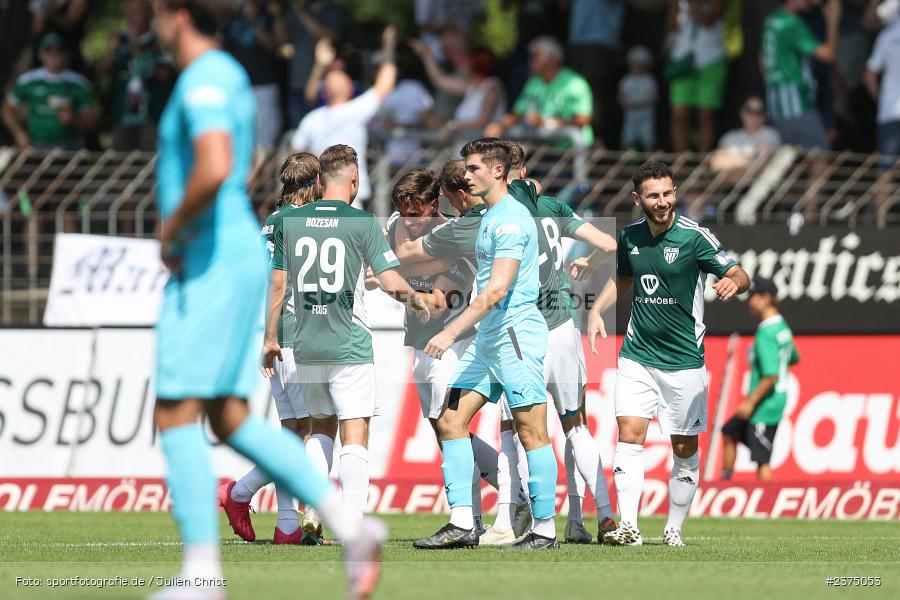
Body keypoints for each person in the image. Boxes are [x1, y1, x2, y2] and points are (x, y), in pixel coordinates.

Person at [151, 3, 385, 598]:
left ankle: (201, 573)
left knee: (177, 410)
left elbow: (214, 165)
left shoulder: (204, 77)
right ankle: (348, 527)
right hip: (238, 269)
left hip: (211, 259)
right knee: (231, 417)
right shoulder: (228, 73)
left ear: (177, 14)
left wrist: (172, 228)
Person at [586, 160, 750, 547]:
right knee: (629, 436)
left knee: (684, 448)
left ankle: (674, 528)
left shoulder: (694, 237)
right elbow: (623, 277)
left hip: (684, 362)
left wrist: (734, 282)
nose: (662, 202)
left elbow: (739, 272)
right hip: (637, 355)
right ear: (637, 199)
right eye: (653, 196)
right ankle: (629, 527)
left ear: (675, 193)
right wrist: (596, 310)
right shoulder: (630, 236)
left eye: (667, 194)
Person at [270, 144, 430, 533]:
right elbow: (389, 281)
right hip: (348, 342)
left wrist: (269, 337)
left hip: (305, 344)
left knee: (319, 429)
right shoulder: (362, 222)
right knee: (355, 430)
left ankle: (312, 508)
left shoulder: (292, 221)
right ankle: (353, 524)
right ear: (354, 178)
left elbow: (278, 285)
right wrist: (418, 300)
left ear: (320, 178)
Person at [412, 138, 558, 551]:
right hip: (489, 339)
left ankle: (545, 530)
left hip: (514, 336)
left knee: (531, 430)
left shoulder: (510, 220)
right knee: (450, 420)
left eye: (474, 168)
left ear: (497, 171)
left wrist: (449, 332)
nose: (467, 175)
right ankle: (462, 523)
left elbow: (496, 289)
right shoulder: (491, 216)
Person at [392, 159, 534, 542]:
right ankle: (509, 499)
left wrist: (393, 284)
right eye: (404, 214)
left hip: (453, 345)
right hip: (420, 346)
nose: (409, 222)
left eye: (416, 214)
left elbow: (438, 302)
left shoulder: (464, 235)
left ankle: (469, 520)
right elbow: (400, 254)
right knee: (446, 431)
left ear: (435, 203)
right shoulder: (416, 231)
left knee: (454, 427)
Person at [498, 142, 619, 545]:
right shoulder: (552, 207)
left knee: (523, 429)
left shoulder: (496, 212)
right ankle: (597, 516)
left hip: (523, 331)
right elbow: (610, 244)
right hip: (564, 327)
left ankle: (527, 520)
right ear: (524, 170)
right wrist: (589, 262)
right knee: (575, 425)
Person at [219, 152, 335, 546]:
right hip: (297, 335)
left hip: (275, 334)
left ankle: (287, 525)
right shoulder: (306, 222)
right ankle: (240, 492)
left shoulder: (271, 221)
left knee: (292, 433)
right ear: (315, 181)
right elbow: (282, 283)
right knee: (313, 432)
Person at [290, 27, 397, 207]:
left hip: (317, 196)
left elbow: (295, 152)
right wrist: (389, 47)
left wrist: (307, 184)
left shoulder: (311, 118)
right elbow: (385, 84)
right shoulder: (355, 111)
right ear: (350, 90)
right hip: (349, 198)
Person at [721, 277, 799, 481]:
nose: (749, 301)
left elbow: (771, 375)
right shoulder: (782, 327)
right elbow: (793, 356)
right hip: (773, 400)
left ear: (765, 298)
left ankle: (770, 497)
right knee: (729, 431)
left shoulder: (766, 333)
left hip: (765, 405)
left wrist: (751, 401)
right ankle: (725, 481)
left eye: (752, 297)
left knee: (762, 460)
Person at [485, 36, 594, 149]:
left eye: (535, 56)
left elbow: (583, 119)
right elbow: (517, 113)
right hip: (540, 147)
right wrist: (500, 126)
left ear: (551, 58)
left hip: (569, 150)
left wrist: (547, 123)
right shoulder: (533, 82)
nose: (531, 61)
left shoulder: (575, 83)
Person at [761, 0, 842, 150]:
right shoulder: (792, 24)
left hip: (775, 102)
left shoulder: (772, 20)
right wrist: (832, 20)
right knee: (820, 153)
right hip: (796, 102)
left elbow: (762, 59)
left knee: (790, 156)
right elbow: (829, 55)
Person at [96, 0, 175, 151]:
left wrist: (135, 47)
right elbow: (101, 72)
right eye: (128, 11)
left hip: (151, 117)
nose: (131, 16)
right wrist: (111, 51)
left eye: (137, 11)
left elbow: (164, 74)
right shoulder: (120, 41)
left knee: (148, 162)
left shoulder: (160, 40)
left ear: (148, 14)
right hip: (122, 116)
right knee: (121, 162)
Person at [2, 32, 97, 150]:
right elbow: (7, 109)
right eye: (49, 50)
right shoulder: (28, 80)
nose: (54, 55)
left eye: (59, 50)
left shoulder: (79, 82)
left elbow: (92, 120)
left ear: (65, 53)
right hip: (36, 146)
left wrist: (74, 121)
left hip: (70, 147)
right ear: (40, 54)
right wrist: (19, 133)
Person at [409, 39, 506, 144]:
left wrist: (452, 126)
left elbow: (482, 120)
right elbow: (439, 80)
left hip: (482, 150)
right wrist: (426, 55)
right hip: (466, 148)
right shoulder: (472, 87)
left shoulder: (492, 88)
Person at [222, 0, 287, 148]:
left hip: (264, 85)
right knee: (240, 137)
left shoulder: (267, 15)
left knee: (266, 140)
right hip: (238, 86)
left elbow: (273, 46)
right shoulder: (230, 20)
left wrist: (251, 20)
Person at [666, 0, 727, 153]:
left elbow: (707, 20)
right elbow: (671, 27)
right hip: (682, 60)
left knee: (705, 115)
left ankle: (702, 159)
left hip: (710, 59)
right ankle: (680, 158)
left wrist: (693, 3)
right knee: (679, 114)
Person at [568, 0, 626, 150]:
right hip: (578, 39)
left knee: (596, 94)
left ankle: (598, 142)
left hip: (601, 40)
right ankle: (582, 139)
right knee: (578, 92)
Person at [284, 0, 344, 126]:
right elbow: (281, 40)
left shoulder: (333, 10)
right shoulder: (297, 9)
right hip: (297, 82)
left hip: (324, 85)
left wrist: (301, 13)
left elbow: (328, 36)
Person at [864, 9, 900, 156]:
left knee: (886, 165)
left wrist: (881, 100)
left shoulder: (886, 35)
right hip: (889, 112)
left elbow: (869, 75)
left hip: (889, 111)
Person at [711, 96, 782, 171]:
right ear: (742, 112)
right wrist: (749, 159)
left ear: (765, 115)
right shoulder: (729, 136)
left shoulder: (771, 134)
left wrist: (733, 160)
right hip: (733, 178)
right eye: (749, 110)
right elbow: (716, 164)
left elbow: (765, 158)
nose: (754, 115)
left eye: (759, 112)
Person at [619, 45, 658, 151]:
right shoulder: (626, 80)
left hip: (646, 117)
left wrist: (639, 104)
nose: (637, 66)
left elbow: (654, 97)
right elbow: (621, 96)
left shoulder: (649, 80)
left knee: (648, 141)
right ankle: (629, 161)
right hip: (630, 117)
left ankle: (649, 161)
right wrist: (627, 103)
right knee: (628, 141)